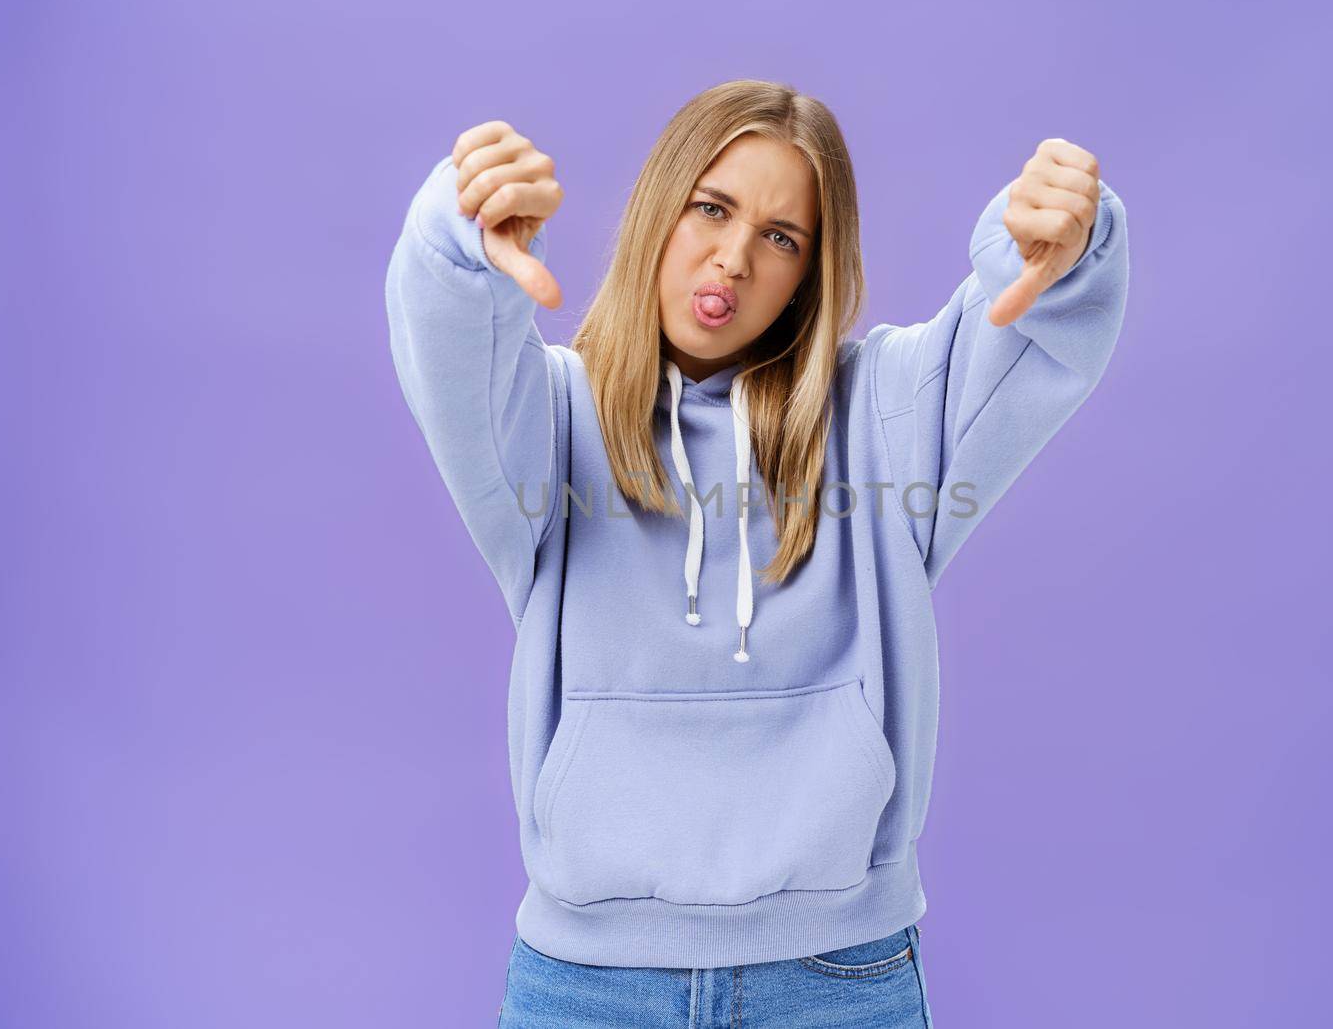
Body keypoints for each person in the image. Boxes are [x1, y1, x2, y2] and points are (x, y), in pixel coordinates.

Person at [384, 78, 1129, 1026]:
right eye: (711, 207)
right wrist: (457, 246)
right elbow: (451, 357)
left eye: (782, 237)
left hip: (835, 981)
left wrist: (1063, 248)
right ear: (661, 206)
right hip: (586, 986)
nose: (733, 258)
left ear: (811, 272)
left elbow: (1024, 326)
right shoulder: (551, 421)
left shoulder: (880, 418)